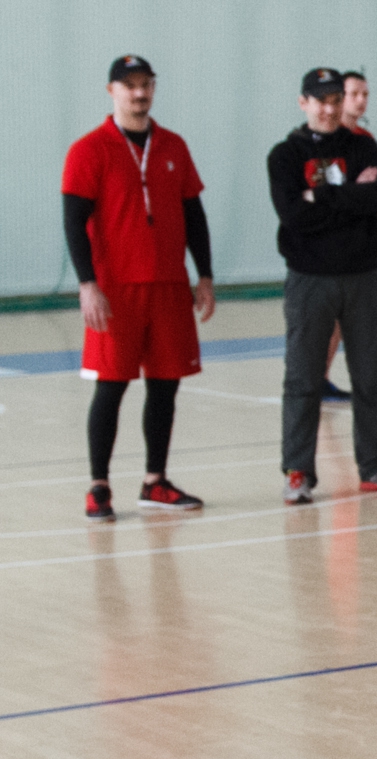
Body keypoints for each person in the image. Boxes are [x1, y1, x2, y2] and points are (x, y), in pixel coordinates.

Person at [64, 55, 214, 522]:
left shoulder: (173, 145)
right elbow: (73, 220)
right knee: (110, 387)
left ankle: (155, 481)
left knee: (165, 386)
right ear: (111, 90)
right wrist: (88, 284)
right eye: (129, 85)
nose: (138, 93)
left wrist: (204, 274)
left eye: (145, 83)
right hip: (116, 289)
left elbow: (194, 214)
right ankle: (98, 485)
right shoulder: (89, 149)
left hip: (169, 285)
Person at [267, 67, 377, 505]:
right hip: (310, 280)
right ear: (303, 103)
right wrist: (350, 195)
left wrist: (323, 196)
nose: (329, 108)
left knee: (371, 378)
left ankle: (375, 465)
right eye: (320, 100)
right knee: (303, 380)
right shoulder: (285, 156)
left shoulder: (362, 145)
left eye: (335, 100)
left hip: (365, 276)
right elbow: (292, 214)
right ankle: (298, 472)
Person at [321, 69, 373, 403]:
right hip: (327, 245)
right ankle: (315, 379)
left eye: (365, 94)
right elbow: (327, 195)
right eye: (353, 94)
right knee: (326, 320)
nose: (360, 100)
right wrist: (356, 191)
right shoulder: (326, 141)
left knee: (351, 319)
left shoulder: (365, 141)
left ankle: (357, 383)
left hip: (359, 244)